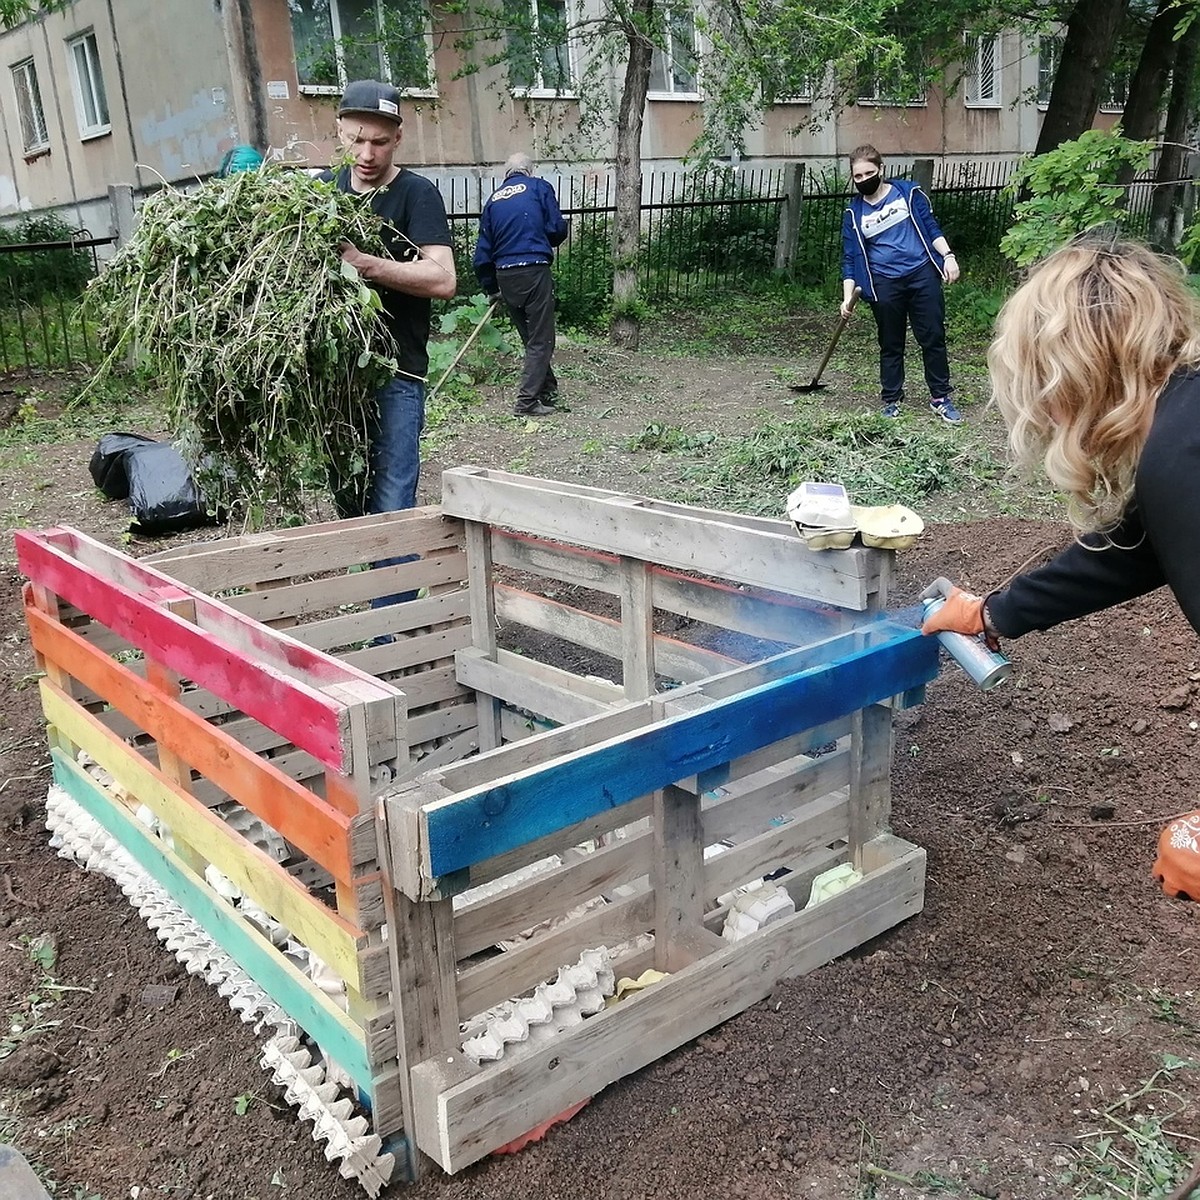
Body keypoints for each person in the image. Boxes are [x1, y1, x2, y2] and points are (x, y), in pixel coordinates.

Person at [921, 236, 1200, 647]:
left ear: (1075, 370)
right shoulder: (1182, 423)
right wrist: (992, 613)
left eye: (1041, 382)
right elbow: (1136, 550)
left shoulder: (1181, 455)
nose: (1045, 411)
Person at [322, 79, 457, 522]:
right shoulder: (321, 192)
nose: (366, 154)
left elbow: (442, 279)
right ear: (339, 129)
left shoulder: (417, 194)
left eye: (379, 142)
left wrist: (366, 264)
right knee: (348, 499)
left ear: (398, 137)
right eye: (356, 139)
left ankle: (393, 592)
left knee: (393, 503)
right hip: (333, 378)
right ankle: (369, 587)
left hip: (396, 374)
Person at [841, 144, 962, 423]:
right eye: (857, 177)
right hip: (883, 284)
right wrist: (847, 297)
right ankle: (892, 399)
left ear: (881, 169)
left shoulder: (908, 194)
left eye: (868, 173)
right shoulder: (853, 214)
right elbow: (849, 259)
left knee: (932, 337)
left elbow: (931, 229)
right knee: (891, 343)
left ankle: (940, 397)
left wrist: (948, 256)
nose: (863, 180)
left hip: (921, 275)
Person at [473, 152, 569, 417]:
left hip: (506, 274)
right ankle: (526, 403)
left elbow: (482, 252)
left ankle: (548, 389)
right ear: (529, 170)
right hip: (534, 270)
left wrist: (491, 287)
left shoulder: (493, 200)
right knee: (542, 339)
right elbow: (556, 229)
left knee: (531, 339)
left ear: (506, 173)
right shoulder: (539, 187)